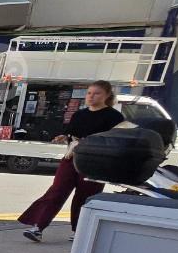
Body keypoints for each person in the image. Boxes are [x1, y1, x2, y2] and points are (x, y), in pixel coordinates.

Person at [18, 80, 125, 242]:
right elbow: (70, 134)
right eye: (89, 93)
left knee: (86, 195)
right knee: (57, 190)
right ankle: (38, 226)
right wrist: (64, 137)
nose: (91, 97)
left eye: (97, 93)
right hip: (72, 157)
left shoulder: (114, 117)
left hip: (95, 162)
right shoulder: (79, 114)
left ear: (107, 95)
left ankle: (79, 230)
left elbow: (117, 140)